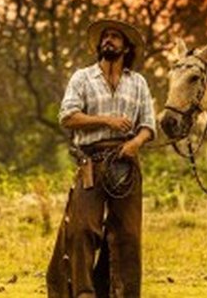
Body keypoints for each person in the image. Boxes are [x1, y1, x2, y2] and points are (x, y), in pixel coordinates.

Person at [47, 18, 156, 298]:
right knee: (83, 227)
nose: (108, 40)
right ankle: (83, 292)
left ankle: (125, 293)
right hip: (92, 162)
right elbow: (67, 116)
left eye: (115, 37)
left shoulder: (139, 83)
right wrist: (105, 121)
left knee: (129, 234)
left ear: (126, 47)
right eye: (105, 37)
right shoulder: (82, 77)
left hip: (127, 163)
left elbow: (149, 126)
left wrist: (135, 143)